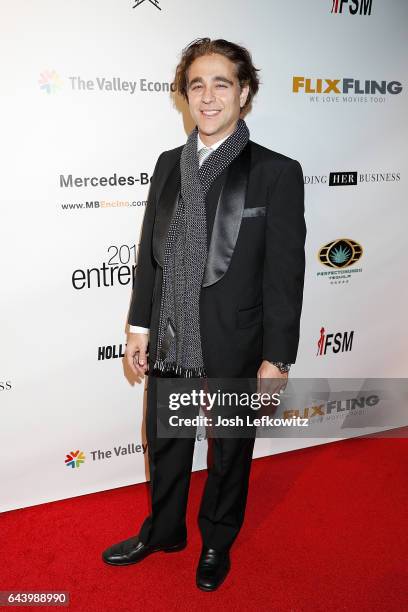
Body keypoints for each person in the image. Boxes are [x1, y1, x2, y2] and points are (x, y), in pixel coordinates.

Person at [102, 37, 306, 591]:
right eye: (197, 85)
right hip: (171, 337)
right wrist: (140, 326)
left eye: (222, 84)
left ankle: (217, 539)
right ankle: (164, 530)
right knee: (166, 440)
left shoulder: (276, 173)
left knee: (228, 452)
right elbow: (151, 253)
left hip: (237, 341)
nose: (209, 97)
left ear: (244, 93)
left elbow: (285, 276)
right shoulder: (169, 164)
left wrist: (277, 359)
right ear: (184, 96)